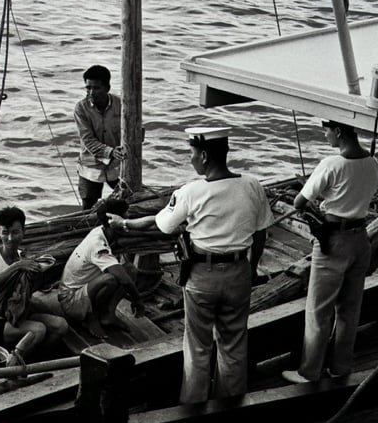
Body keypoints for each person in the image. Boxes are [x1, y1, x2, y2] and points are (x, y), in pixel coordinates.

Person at [110, 127, 272, 403]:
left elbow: (162, 224)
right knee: (233, 344)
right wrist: (252, 268)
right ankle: (230, 406)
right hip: (238, 274)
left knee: (197, 346)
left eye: (193, 154)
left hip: (202, 277)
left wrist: (123, 223)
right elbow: (260, 234)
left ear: (205, 156)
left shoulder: (190, 192)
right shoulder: (252, 185)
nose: (190, 159)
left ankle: (194, 409)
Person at [283, 120, 378, 384]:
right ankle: (340, 367)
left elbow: (299, 202)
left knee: (318, 310)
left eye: (326, 130)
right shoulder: (374, 163)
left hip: (334, 242)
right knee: (349, 310)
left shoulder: (331, 164)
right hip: (361, 239)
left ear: (338, 131)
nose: (324, 135)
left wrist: (318, 194)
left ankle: (309, 372)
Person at [0, 207, 68, 366]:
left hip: (18, 314)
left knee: (60, 325)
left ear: (23, 231)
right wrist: (17, 267)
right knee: (38, 329)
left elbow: (29, 289)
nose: (10, 238)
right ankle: (13, 364)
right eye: (5, 232)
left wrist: (39, 275)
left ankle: (37, 360)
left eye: (15, 232)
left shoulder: (23, 256)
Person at [58, 199, 144, 338]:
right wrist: (137, 300)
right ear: (112, 221)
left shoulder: (102, 231)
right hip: (72, 300)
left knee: (130, 270)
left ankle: (108, 315)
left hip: (84, 289)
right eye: (124, 219)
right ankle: (89, 319)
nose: (126, 224)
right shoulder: (97, 244)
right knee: (111, 279)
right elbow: (123, 279)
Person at [74, 65, 125, 209]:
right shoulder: (81, 108)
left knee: (127, 198)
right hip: (91, 164)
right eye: (88, 88)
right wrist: (110, 152)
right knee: (88, 205)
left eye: (96, 88)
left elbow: (132, 130)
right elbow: (88, 140)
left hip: (117, 164)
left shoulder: (121, 104)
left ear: (107, 88)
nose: (91, 92)